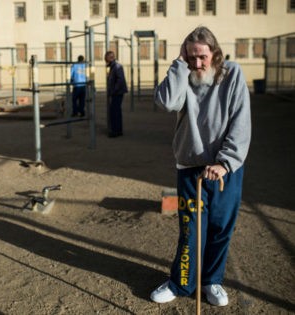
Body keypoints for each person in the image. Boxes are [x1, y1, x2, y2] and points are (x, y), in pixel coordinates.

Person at [151, 26, 251, 307]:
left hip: (224, 169)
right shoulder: (184, 73)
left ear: (214, 53)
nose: (197, 63)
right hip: (190, 166)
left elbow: (240, 121)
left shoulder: (232, 74)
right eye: (191, 57)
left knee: (221, 228)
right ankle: (180, 283)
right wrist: (179, 65)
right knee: (191, 229)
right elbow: (168, 102)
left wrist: (225, 162)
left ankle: (211, 281)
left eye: (202, 57)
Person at [105, 51, 127, 138]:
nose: (108, 59)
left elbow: (120, 80)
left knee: (114, 112)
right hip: (117, 92)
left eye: (110, 57)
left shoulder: (117, 66)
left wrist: (114, 90)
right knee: (116, 111)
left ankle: (115, 131)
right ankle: (118, 130)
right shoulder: (112, 66)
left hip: (117, 92)